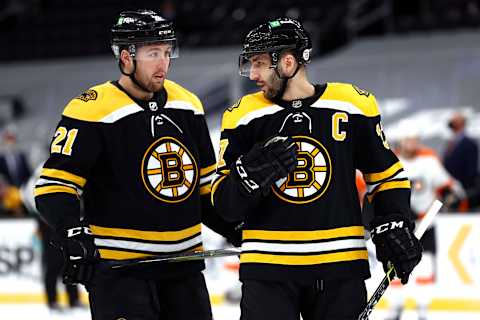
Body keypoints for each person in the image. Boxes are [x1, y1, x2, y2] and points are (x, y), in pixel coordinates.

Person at [211, 17, 423, 320]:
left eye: (259, 63)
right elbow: (224, 203)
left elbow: (386, 175)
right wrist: (246, 177)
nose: (253, 74)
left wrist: (393, 221)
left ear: (287, 62)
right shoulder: (242, 115)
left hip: (340, 270)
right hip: (268, 271)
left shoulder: (351, 104)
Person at [34, 9, 239, 320]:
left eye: (168, 52)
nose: (163, 63)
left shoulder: (189, 105)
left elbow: (204, 192)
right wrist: (73, 232)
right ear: (126, 58)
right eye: (153, 53)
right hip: (121, 274)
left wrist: (241, 229)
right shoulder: (91, 109)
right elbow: (54, 186)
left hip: (184, 273)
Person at [386, 134, 465, 320]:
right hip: (400, 226)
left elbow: (450, 186)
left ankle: (422, 311)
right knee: (396, 268)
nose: (412, 144)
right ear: (401, 141)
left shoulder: (428, 161)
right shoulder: (391, 162)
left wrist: (451, 195)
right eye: (408, 139)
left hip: (425, 222)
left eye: (415, 140)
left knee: (425, 268)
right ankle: (396, 308)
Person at [443, 112, 479, 191]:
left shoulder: (469, 144)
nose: (451, 124)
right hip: (448, 186)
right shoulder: (451, 143)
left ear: (461, 123)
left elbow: (471, 172)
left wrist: (463, 188)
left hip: (463, 188)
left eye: (455, 121)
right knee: (437, 203)